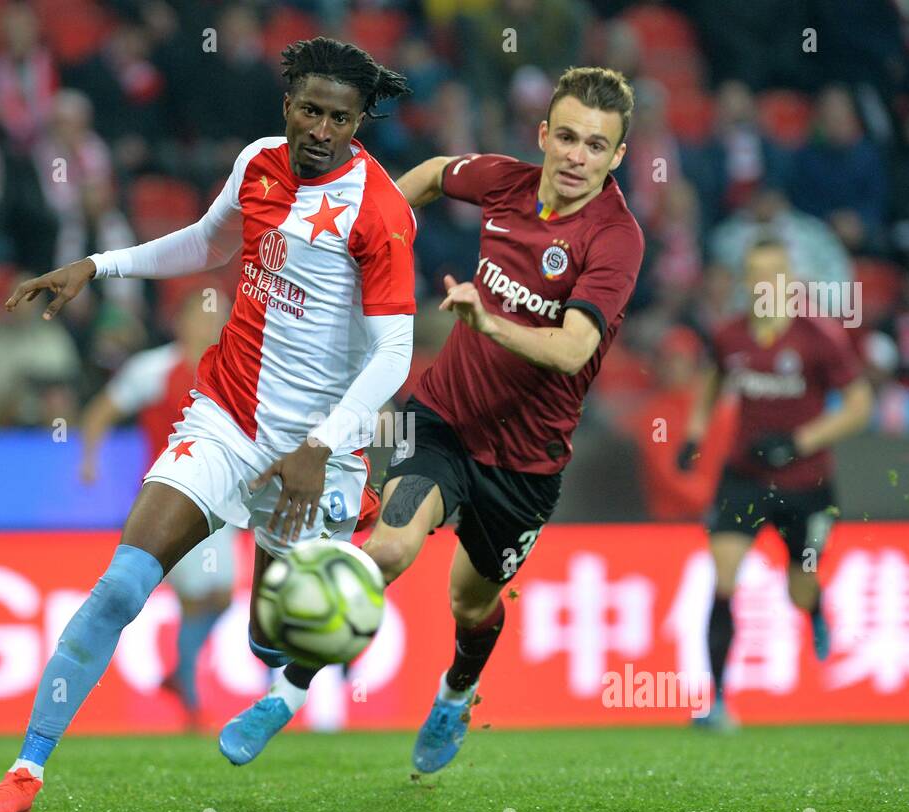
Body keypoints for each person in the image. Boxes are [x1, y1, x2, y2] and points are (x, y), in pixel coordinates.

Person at [0, 37, 416, 812]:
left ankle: (280, 687)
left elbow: (396, 350)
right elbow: (208, 243)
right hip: (228, 416)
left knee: (273, 637)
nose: (320, 129)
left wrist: (323, 444)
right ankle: (24, 772)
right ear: (288, 106)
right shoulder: (259, 164)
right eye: (309, 109)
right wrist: (98, 266)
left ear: (357, 124)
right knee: (121, 586)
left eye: (339, 118)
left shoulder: (378, 211)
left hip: (318, 452)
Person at [222, 66, 646, 773]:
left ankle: (456, 691)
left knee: (471, 603)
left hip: (526, 465)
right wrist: (372, 244)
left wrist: (489, 319)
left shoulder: (615, 239)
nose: (577, 157)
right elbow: (425, 177)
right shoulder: (505, 182)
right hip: (442, 420)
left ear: (618, 156)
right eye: (567, 137)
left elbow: (574, 350)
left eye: (596, 146)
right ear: (544, 136)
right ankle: (286, 695)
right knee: (388, 550)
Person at [677, 237, 873, 730]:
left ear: (791, 279)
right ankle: (718, 702)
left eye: (776, 272)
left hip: (806, 484)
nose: (766, 283)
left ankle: (816, 608)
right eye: (757, 273)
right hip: (743, 477)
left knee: (798, 589)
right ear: (747, 281)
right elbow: (713, 383)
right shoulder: (729, 337)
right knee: (723, 578)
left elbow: (859, 406)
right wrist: (695, 434)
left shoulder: (818, 337)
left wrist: (798, 440)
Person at [78, 289, 234, 726]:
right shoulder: (153, 369)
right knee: (206, 595)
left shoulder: (234, 367)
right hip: (173, 498)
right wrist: (89, 460)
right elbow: (100, 412)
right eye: (204, 317)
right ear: (181, 323)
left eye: (218, 317)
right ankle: (190, 701)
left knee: (214, 598)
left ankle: (181, 679)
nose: (211, 325)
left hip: (223, 497)